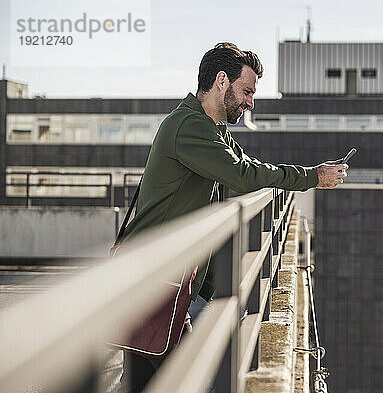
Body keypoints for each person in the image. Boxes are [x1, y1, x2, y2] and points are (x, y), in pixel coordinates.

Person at [115, 42, 348, 392]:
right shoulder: (188, 126)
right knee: (193, 379)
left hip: (166, 278)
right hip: (154, 278)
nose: (251, 102)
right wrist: (311, 177)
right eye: (247, 91)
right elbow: (242, 175)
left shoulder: (213, 129)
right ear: (222, 81)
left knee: (145, 381)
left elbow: (249, 168)